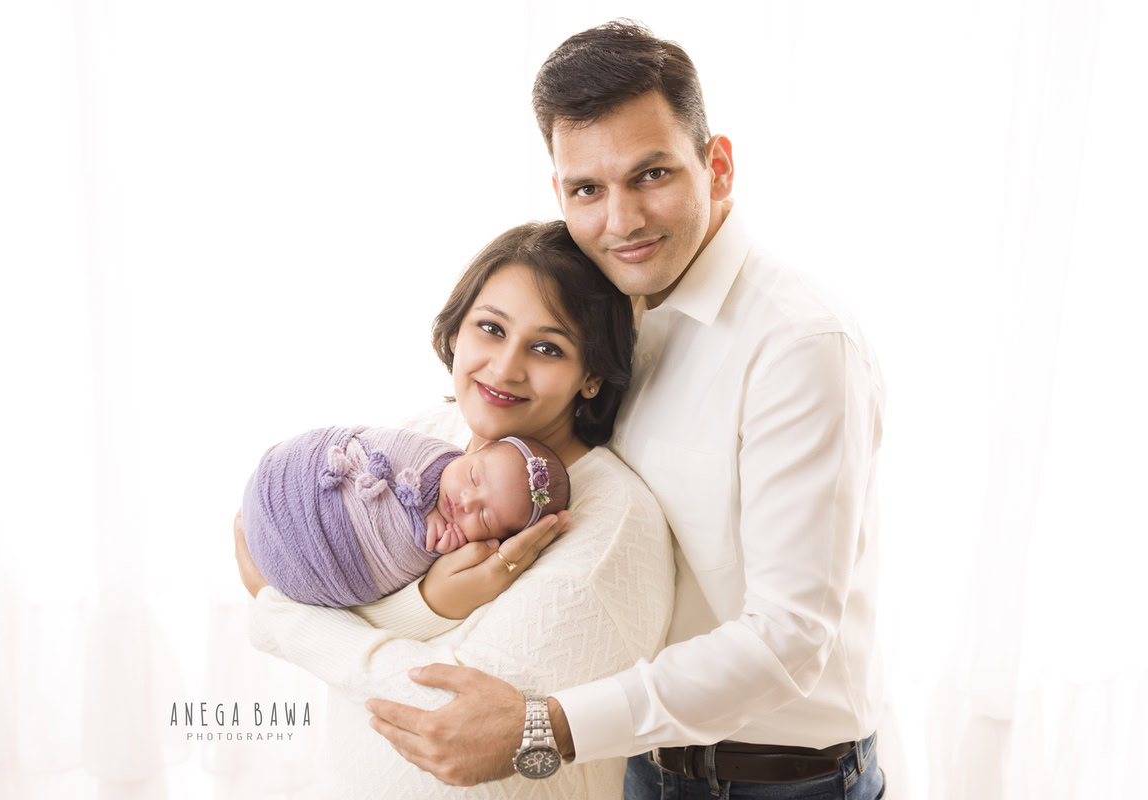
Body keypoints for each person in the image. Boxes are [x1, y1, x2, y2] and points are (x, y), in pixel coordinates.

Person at [361, 21, 888, 799]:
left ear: (719, 166)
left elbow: (789, 640)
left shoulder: (799, 344)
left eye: (651, 175)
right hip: (640, 765)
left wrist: (544, 729)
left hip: (777, 781)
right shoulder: (600, 314)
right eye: (588, 189)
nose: (622, 221)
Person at [234, 219, 675, 798]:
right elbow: (319, 572)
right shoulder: (425, 439)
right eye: (491, 328)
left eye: (547, 347)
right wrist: (427, 606)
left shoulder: (607, 530)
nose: (504, 367)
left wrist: (281, 613)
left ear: (591, 375)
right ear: (457, 327)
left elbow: (452, 719)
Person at [240, 424, 569, 607]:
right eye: (473, 476)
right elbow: (383, 446)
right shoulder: (431, 451)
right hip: (286, 480)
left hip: (317, 572)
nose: (467, 501)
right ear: (476, 451)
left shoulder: (456, 549)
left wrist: (432, 547)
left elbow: (404, 569)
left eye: (483, 517)